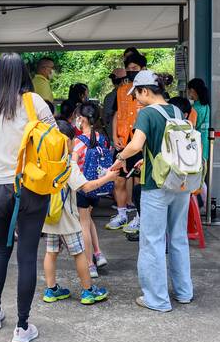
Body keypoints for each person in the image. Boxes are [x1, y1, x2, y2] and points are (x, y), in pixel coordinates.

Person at [0, 53, 55, 342]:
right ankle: (22, 326)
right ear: (23, 74)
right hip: (31, 186)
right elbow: (55, 142)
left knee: (1, 250)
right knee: (27, 255)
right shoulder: (35, 103)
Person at [111, 70, 194, 312]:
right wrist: (144, 160)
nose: (135, 99)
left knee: (153, 242)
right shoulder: (177, 111)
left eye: (136, 93)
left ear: (145, 90)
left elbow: (136, 144)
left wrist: (120, 157)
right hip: (180, 183)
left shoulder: (147, 113)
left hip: (156, 185)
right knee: (178, 238)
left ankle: (157, 299)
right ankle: (184, 292)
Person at [42, 119, 114, 306]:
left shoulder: (44, 161)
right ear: (66, 141)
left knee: (50, 252)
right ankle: (88, 291)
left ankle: (51, 290)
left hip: (50, 216)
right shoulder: (67, 165)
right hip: (67, 218)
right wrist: (108, 177)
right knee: (79, 254)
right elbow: (87, 187)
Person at [107, 51, 148, 233]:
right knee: (119, 180)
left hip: (140, 143)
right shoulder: (122, 90)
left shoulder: (148, 90)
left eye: (135, 69)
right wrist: (115, 137)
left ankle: (140, 217)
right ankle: (122, 214)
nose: (131, 71)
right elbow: (117, 114)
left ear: (143, 69)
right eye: (128, 69)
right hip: (123, 142)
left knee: (140, 182)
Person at [71, 102, 111, 278]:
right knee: (89, 220)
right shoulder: (102, 138)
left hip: (83, 188)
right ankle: (98, 253)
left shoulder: (79, 141)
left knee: (83, 226)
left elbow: (72, 164)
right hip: (98, 188)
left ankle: (89, 264)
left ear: (82, 119)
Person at [186, 78, 212, 211]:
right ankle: (207, 208)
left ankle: (202, 208)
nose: (188, 92)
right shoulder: (205, 106)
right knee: (202, 178)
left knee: (198, 180)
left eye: (189, 89)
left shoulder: (194, 109)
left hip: (197, 147)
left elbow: (190, 128)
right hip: (206, 145)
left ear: (193, 90)